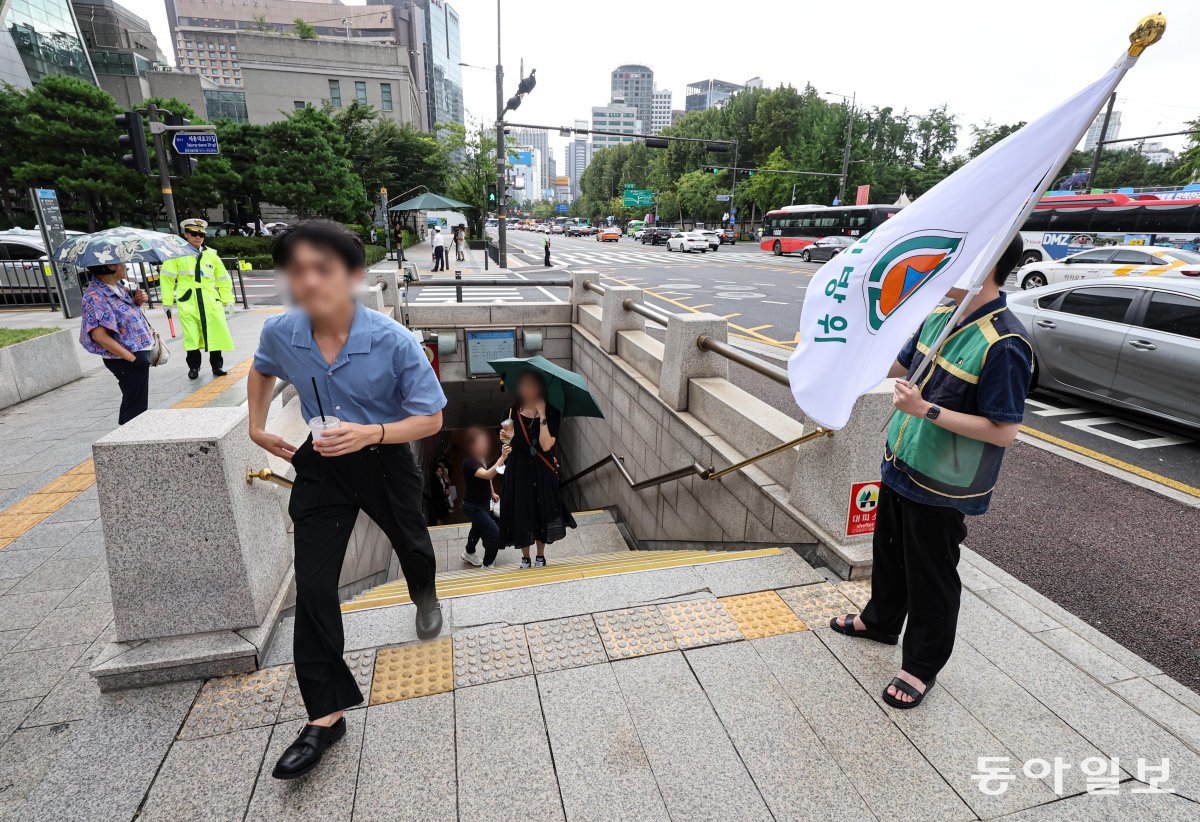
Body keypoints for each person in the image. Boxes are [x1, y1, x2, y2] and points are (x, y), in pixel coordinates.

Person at [246, 219, 446, 779]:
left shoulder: (393, 341)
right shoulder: (282, 332)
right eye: (297, 269)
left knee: (410, 541)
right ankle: (325, 715)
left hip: (384, 455)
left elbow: (431, 418)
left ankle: (425, 598)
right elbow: (261, 372)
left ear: (353, 275)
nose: (309, 281)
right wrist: (258, 428)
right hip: (322, 460)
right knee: (311, 583)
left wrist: (372, 433)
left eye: (323, 268)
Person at [830, 234, 1033, 710]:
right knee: (890, 551)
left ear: (984, 269)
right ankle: (880, 621)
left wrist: (926, 411)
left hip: (944, 484)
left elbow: (1004, 432)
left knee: (932, 575)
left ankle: (920, 667)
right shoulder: (940, 316)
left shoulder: (1005, 342)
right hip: (901, 461)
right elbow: (899, 364)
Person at [499, 371, 576, 568]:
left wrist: (542, 415)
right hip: (518, 470)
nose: (528, 390)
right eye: (524, 385)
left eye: (532, 385)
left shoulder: (552, 412)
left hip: (542, 471)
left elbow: (546, 444)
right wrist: (504, 440)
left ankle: (540, 555)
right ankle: (525, 557)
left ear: (541, 388)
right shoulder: (510, 412)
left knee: (542, 511)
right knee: (522, 512)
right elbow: (508, 444)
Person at [78, 263, 154, 425]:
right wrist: (132, 359)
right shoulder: (95, 296)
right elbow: (99, 336)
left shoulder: (117, 288)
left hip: (134, 355)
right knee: (136, 406)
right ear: (112, 266)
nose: (126, 266)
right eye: (122, 263)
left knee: (133, 400)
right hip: (124, 358)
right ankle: (133, 441)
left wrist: (137, 302)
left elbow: (123, 318)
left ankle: (126, 440)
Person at [159, 218, 234, 379]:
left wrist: (228, 299)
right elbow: (166, 279)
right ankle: (194, 367)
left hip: (209, 300)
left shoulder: (211, 255)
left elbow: (223, 278)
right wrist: (166, 302)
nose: (198, 237)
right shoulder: (176, 255)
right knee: (191, 336)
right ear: (185, 234)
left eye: (201, 234)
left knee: (215, 333)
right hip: (188, 301)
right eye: (194, 233)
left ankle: (217, 366)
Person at [460, 426, 510, 568]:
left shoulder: (480, 456)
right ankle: (487, 565)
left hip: (483, 502)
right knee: (495, 533)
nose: (485, 445)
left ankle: (469, 552)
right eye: (481, 442)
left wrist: (492, 492)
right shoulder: (469, 463)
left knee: (476, 528)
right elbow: (487, 474)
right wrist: (502, 457)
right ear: (471, 445)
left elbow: (487, 478)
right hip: (472, 506)